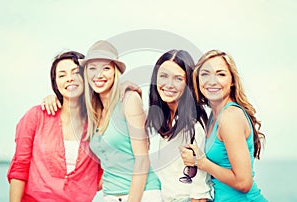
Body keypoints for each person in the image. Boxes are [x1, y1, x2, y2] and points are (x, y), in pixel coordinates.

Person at [7, 51, 103, 202]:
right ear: (56, 83)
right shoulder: (36, 116)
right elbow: (20, 167)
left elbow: (107, 171)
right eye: (62, 75)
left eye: (76, 72)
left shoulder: (99, 124)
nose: (69, 78)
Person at [180, 50, 267, 201]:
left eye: (221, 74)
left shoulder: (230, 116)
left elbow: (244, 182)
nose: (212, 81)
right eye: (205, 74)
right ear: (197, 80)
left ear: (232, 80)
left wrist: (200, 162)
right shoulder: (214, 116)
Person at [82, 40, 162, 202]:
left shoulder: (129, 100)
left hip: (142, 194)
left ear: (115, 72)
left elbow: (142, 159)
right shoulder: (93, 112)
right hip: (110, 195)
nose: (99, 74)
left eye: (106, 68)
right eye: (92, 68)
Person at [146, 49, 213, 202]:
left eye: (178, 78)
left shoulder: (194, 124)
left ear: (188, 83)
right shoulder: (164, 117)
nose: (169, 84)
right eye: (163, 76)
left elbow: (200, 191)